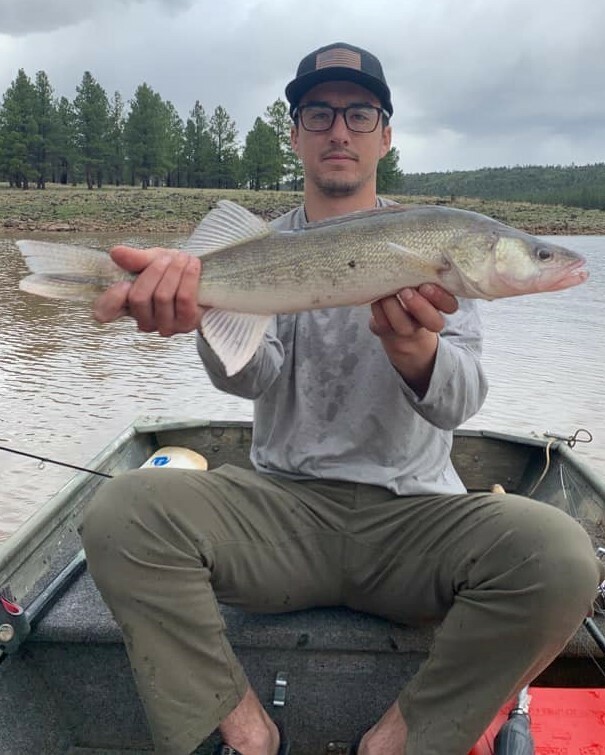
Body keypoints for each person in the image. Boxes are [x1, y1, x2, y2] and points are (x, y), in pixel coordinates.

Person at [81, 42, 604, 755]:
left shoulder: (444, 243)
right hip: (281, 513)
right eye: (318, 114)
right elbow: (249, 377)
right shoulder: (265, 244)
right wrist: (201, 312)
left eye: (359, 114)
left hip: (416, 519)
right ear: (293, 134)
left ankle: (400, 739)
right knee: (120, 509)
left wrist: (414, 350)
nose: (338, 130)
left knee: (561, 556)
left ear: (384, 134)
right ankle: (242, 729)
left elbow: (459, 403)